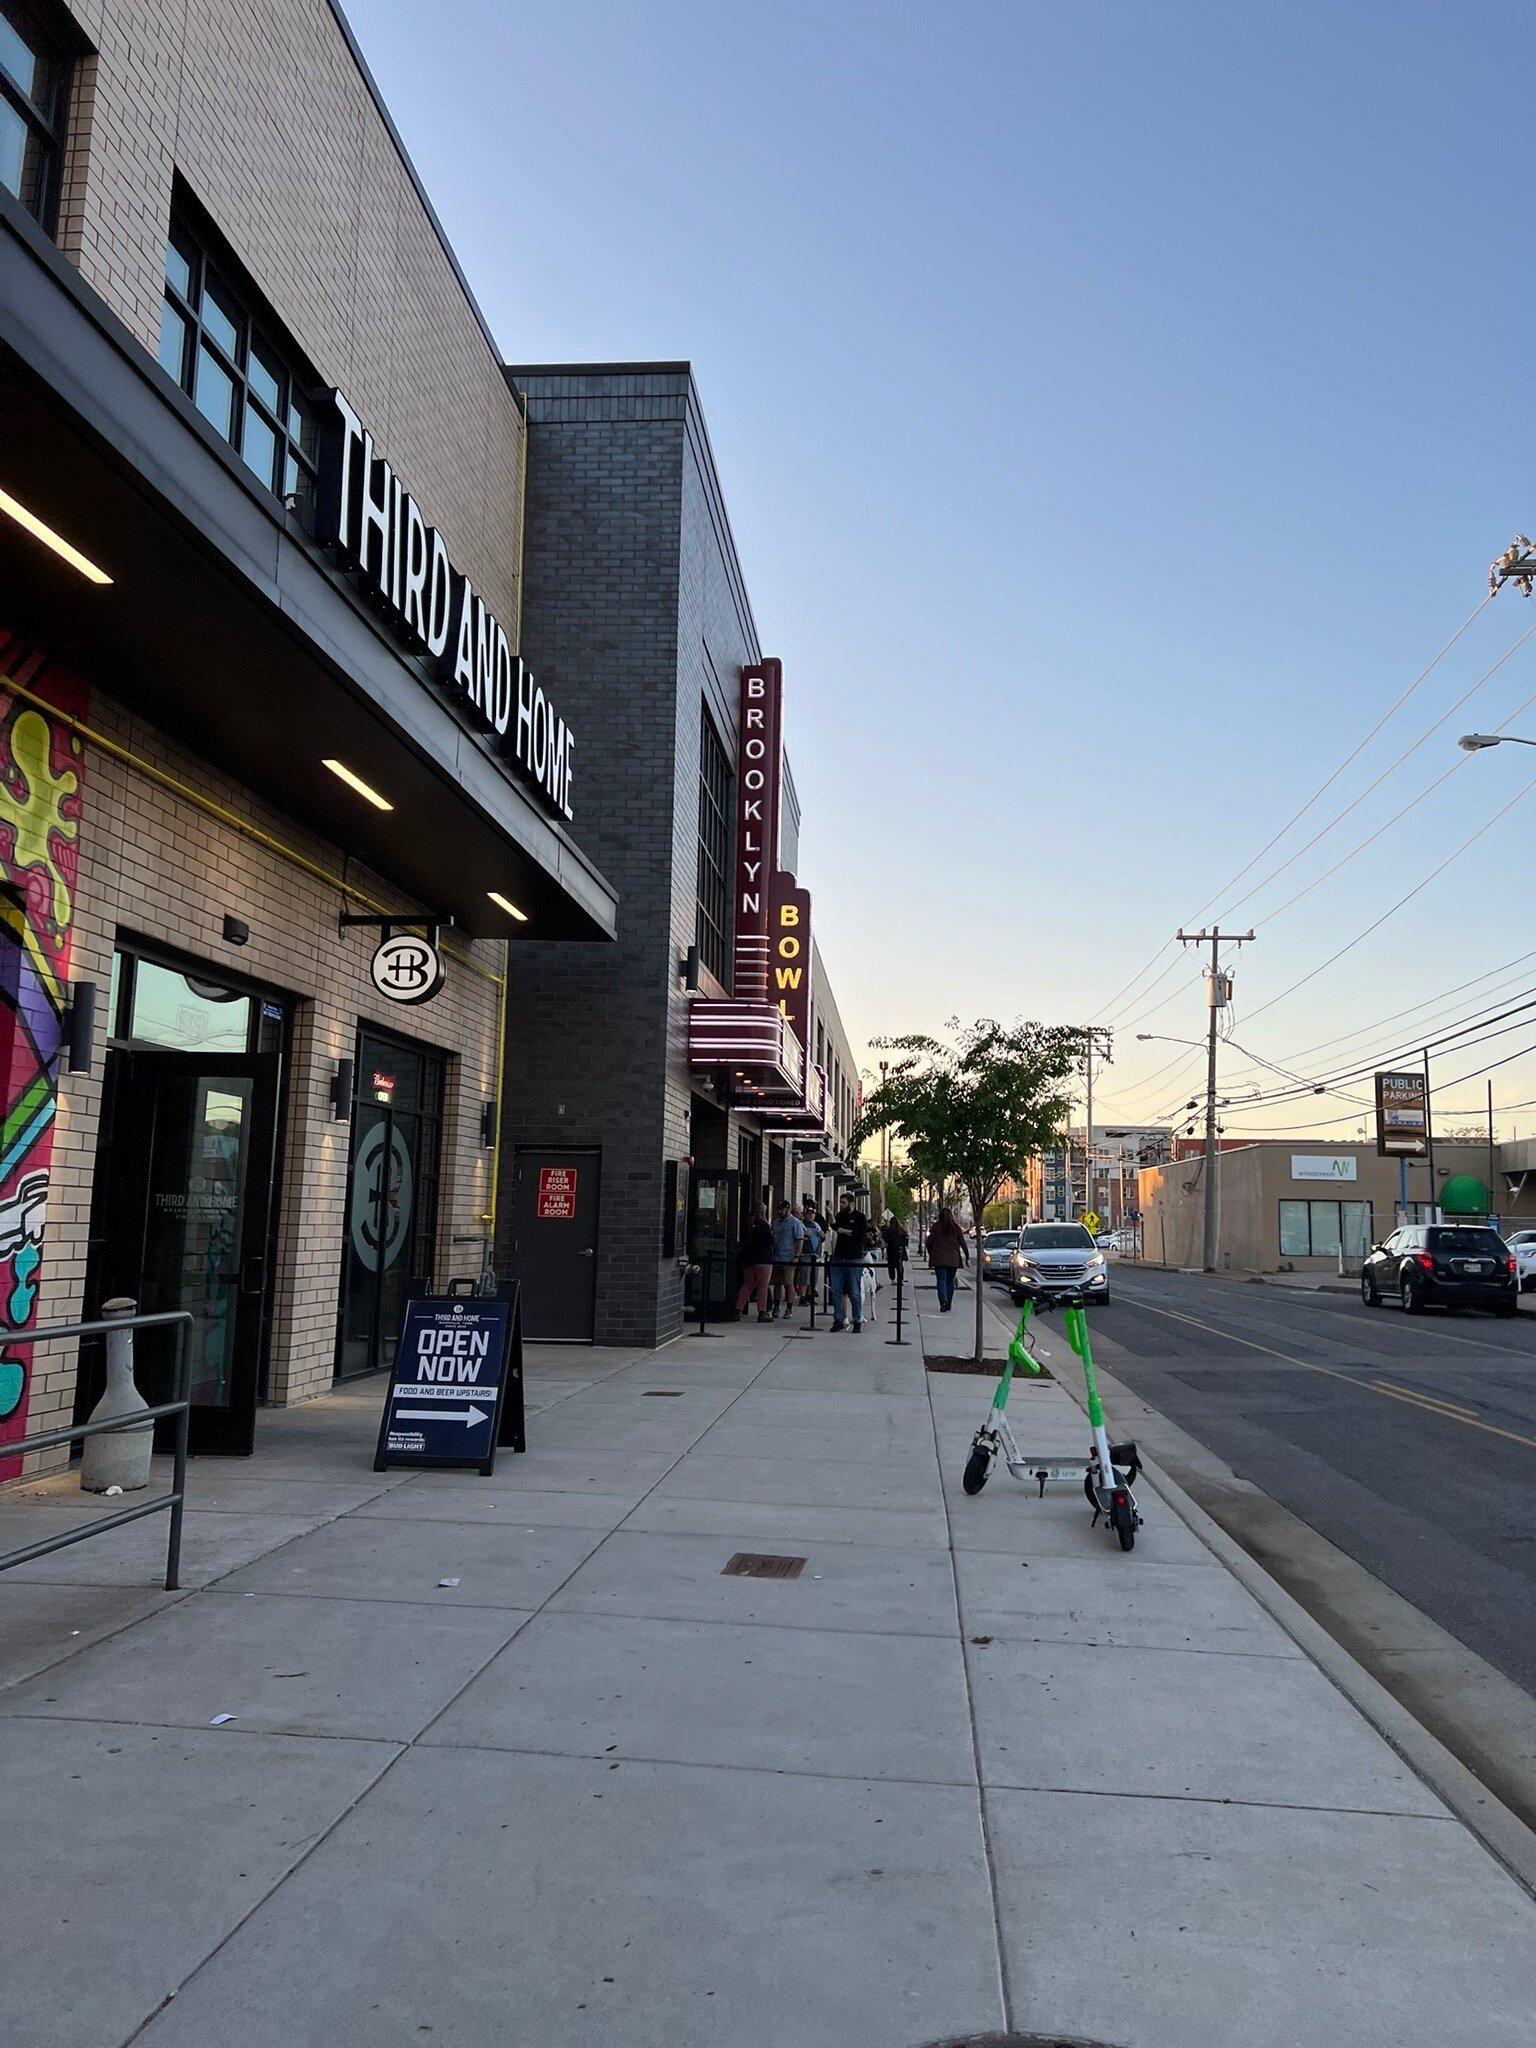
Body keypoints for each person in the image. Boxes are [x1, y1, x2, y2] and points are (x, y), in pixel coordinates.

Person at [827, 1192, 871, 1333]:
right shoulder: (840, 1215)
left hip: (854, 1258)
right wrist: (831, 1216)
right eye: (840, 1202)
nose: (841, 1205)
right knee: (836, 1291)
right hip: (839, 1257)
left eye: (844, 1202)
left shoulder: (860, 1217)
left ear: (851, 1203)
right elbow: (835, 1227)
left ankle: (857, 1320)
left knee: (854, 1291)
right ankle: (838, 1320)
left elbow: (860, 1233)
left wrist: (844, 1231)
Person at [734, 1203, 776, 1322]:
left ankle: (738, 1310)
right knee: (763, 1286)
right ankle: (762, 1313)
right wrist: (774, 1238)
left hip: (749, 1259)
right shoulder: (763, 1225)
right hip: (763, 1259)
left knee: (747, 1285)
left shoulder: (749, 1225)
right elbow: (770, 1241)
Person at [926, 1206, 969, 1312]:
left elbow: (929, 1242)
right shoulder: (956, 1228)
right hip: (953, 1259)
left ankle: (943, 1302)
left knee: (941, 1281)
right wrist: (967, 1257)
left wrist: (931, 1254)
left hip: (939, 1259)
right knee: (949, 1282)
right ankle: (948, 1303)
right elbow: (963, 1244)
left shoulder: (936, 1227)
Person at [769, 1199, 805, 1319]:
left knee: (789, 1283)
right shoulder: (776, 1222)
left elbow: (799, 1241)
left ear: (788, 1209)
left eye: (782, 1209)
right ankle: (776, 1306)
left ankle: (789, 1308)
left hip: (789, 1258)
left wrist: (796, 1256)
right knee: (777, 1283)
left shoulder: (795, 1223)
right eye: (778, 1209)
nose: (780, 1211)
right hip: (777, 1257)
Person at [797, 1199, 823, 1305]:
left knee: (814, 1278)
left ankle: (809, 1296)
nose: (811, 1216)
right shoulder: (801, 1224)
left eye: (813, 1214)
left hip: (815, 1255)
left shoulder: (816, 1225)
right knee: (804, 1277)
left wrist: (822, 1235)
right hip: (806, 1254)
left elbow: (822, 1237)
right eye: (809, 1214)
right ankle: (802, 1297)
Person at [881, 1211, 910, 1283]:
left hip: (891, 1249)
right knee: (900, 1265)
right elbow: (906, 1238)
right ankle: (900, 1279)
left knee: (891, 1265)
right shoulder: (901, 1230)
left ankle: (893, 1279)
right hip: (900, 1249)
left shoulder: (889, 1230)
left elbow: (885, 1239)